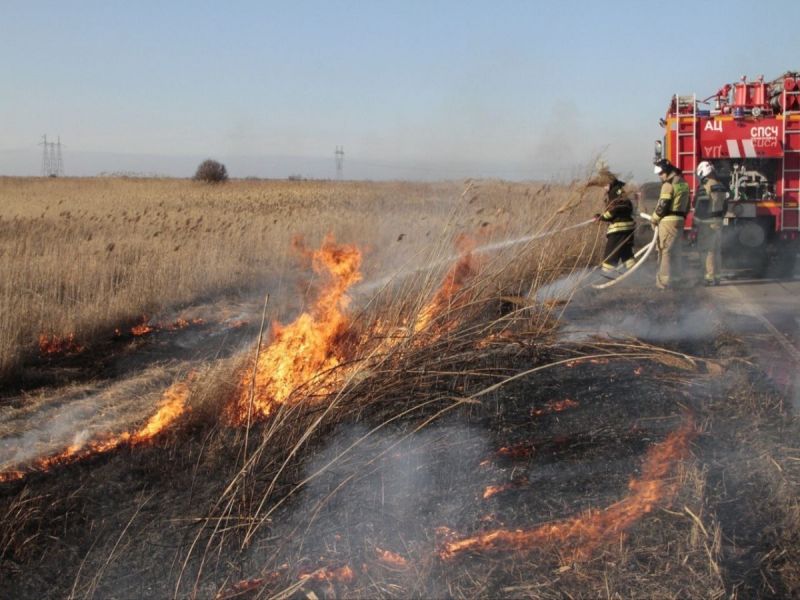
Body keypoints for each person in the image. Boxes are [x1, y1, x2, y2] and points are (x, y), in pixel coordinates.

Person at [652, 158, 690, 289]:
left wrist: (654, 219)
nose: (660, 176)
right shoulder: (684, 183)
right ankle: (677, 279)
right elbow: (688, 205)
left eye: (661, 173)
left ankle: (664, 282)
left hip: (668, 221)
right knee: (676, 250)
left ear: (667, 171)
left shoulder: (668, 185)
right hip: (680, 220)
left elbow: (662, 205)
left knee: (665, 251)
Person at [693, 160, 728, 286]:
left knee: (707, 250)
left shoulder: (705, 186)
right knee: (717, 250)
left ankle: (708, 277)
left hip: (706, 224)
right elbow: (725, 207)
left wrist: (695, 222)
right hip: (718, 222)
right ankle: (717, 277)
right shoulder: (721, 186)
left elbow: (700, 206)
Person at [593, 176, 636, 277]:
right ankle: (634, 274)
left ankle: (606, 277)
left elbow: (614, 210)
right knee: (626, 253)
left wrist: (602, 217)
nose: (604, 188)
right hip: (628, 229)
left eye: (605, 185)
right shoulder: (620, 191)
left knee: (611, 254)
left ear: (610, 183)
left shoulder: (614, 192)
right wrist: (602, 217)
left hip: (618, 229)